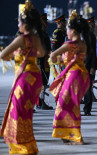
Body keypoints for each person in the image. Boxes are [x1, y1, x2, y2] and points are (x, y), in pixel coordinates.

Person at [0, 0, 45, 154]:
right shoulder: (36, 38)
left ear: (24, 23)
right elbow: (41, 53)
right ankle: (29, 145)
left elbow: (3, 54)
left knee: (18, 113)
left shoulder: (21, 39)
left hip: (24, 79)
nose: (18, 25)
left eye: (19, 22)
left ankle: (22, 147)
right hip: (35, 77)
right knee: (26, 113)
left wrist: (15, 55)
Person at [49, 10, 90, 145]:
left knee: (63, 105)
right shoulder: (83, 44)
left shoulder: (69, 44)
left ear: (72, 30)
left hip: (73, 76)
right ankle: (71, 134)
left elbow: (53, 55)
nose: (66, 31)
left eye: (67, 29)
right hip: (82, 76)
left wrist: (56, 58)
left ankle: (74, 136)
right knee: (73, 105)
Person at [37, 13, 53, 110]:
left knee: (45, 81)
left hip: (46, 61)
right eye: (44, 21)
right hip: (41, 61)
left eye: (46, 21)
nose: (46, 23)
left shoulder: (44, 34)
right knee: (41, 82)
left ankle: (41, 102)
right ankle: (40, 102)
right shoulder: (38, 34)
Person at [83, 16, 97, 116]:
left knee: (88, 88)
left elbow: (93, 53)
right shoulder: (83, 35)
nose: (92, 25)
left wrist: (93, 66)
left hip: (88, 66)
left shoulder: (91, 36)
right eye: (90, 24)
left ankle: (87, 109)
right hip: (82, 65)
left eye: (93, 23)